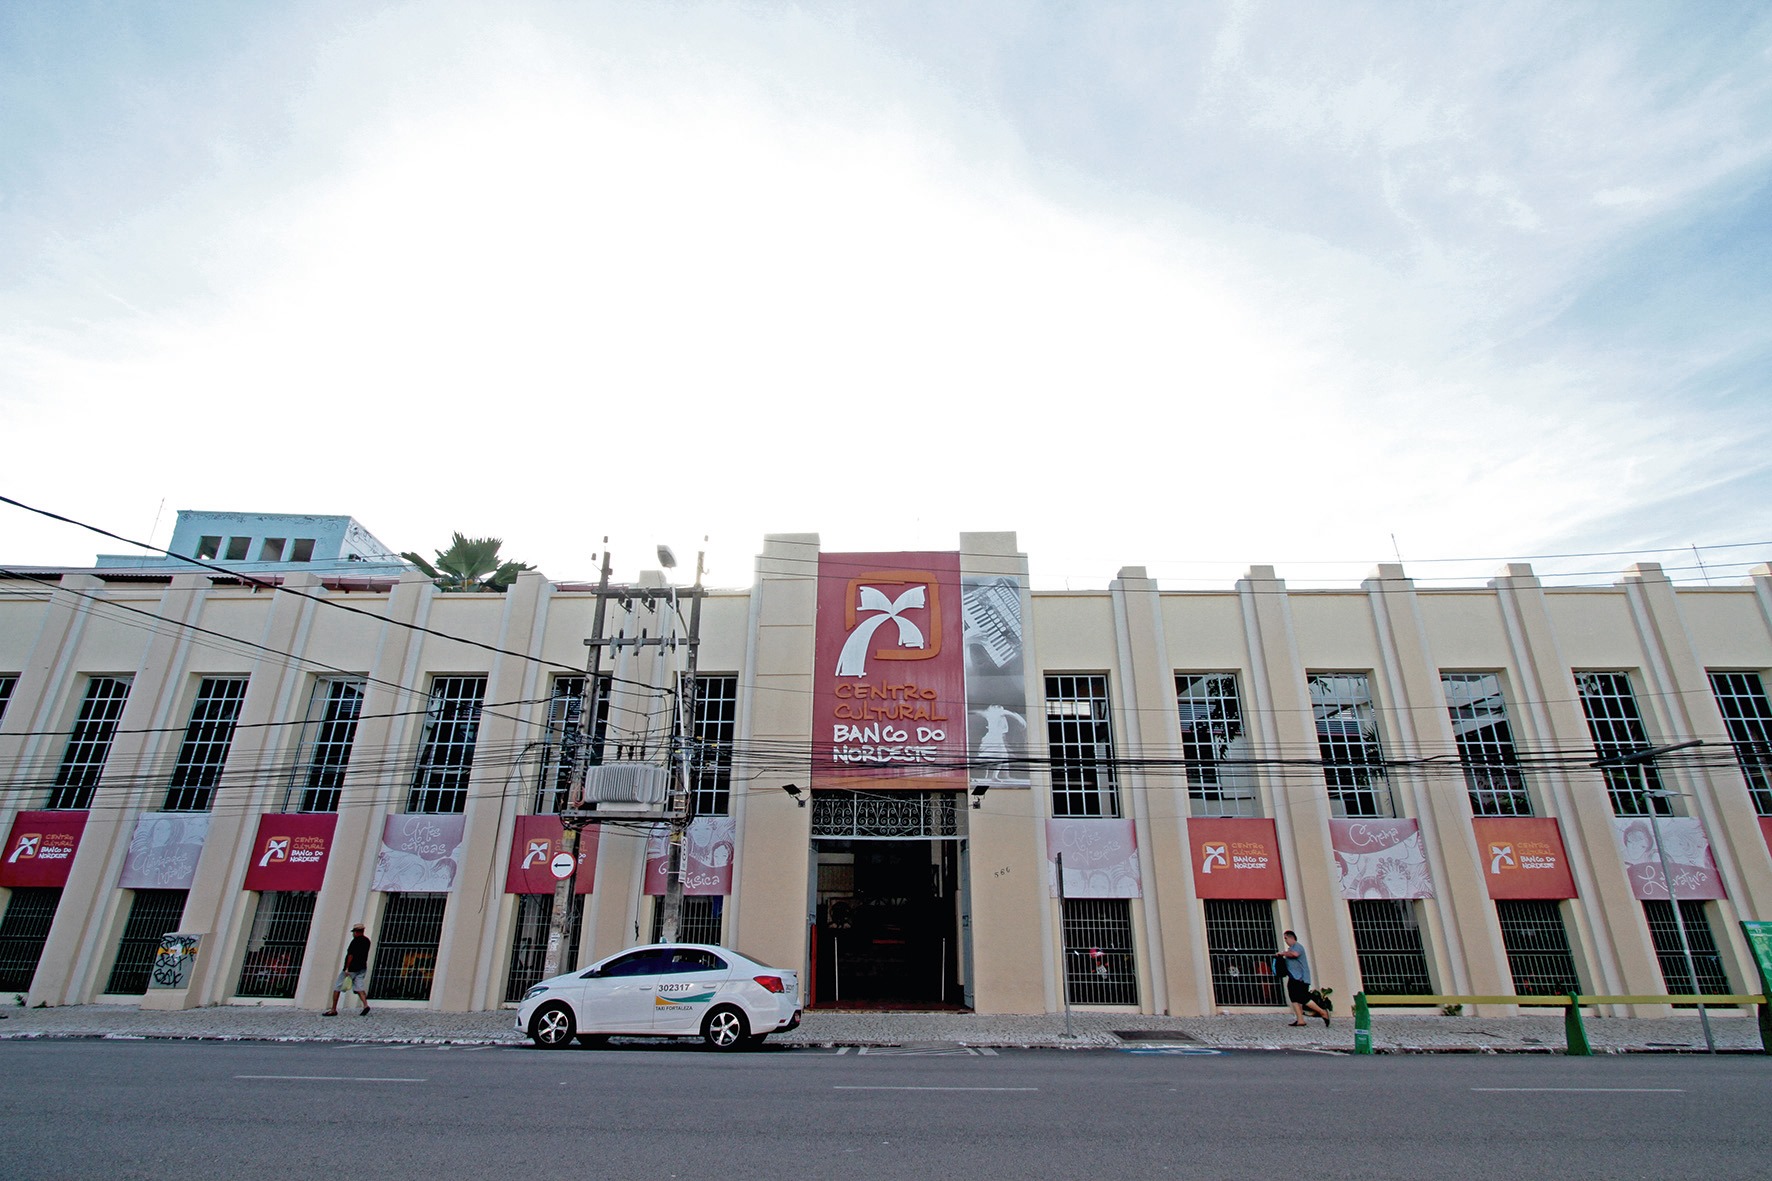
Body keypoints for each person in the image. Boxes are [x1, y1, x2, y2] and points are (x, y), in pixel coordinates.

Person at [1279, 929, 1330, 1027]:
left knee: (1303, 998)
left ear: (1291, 937)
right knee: (1294, 998)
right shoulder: (1290, 949)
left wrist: (1283, 953)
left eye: (1286, 938)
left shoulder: (1298, 947)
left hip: (1301, 978)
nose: (1285, 940)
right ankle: (1300, 1020)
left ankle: (1322, 1012)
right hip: (1293, 977)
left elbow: (1295, 954)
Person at [324, 923, 372, 1016]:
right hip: (362, 967)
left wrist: (347, 968)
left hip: (352, 968)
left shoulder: (355, 941)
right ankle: (365, 1005)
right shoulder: (367, 941)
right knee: (359, 987)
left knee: (337, 986)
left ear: (356, 932)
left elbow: (350, 955)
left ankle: (333, 1009)